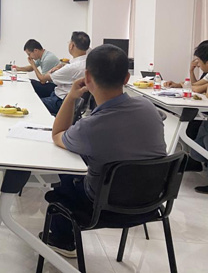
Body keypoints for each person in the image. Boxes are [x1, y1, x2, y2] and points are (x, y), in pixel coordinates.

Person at [42, 44, 167, 257]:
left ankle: (63, 241)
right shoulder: (149, 108)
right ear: (126, 78)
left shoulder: (89, 128)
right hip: (152, 202)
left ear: (86, 77)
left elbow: (57, 135)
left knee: (66, 177)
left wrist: (71, 97)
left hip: (102, 207)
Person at [30, 32, 90, 114]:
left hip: (59, 101)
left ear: (72, 45)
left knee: (32, 104)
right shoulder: (88, 61)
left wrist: (33, 64)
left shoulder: (72, 67)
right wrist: (61, 65)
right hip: (70, 101)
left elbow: (44, 78)